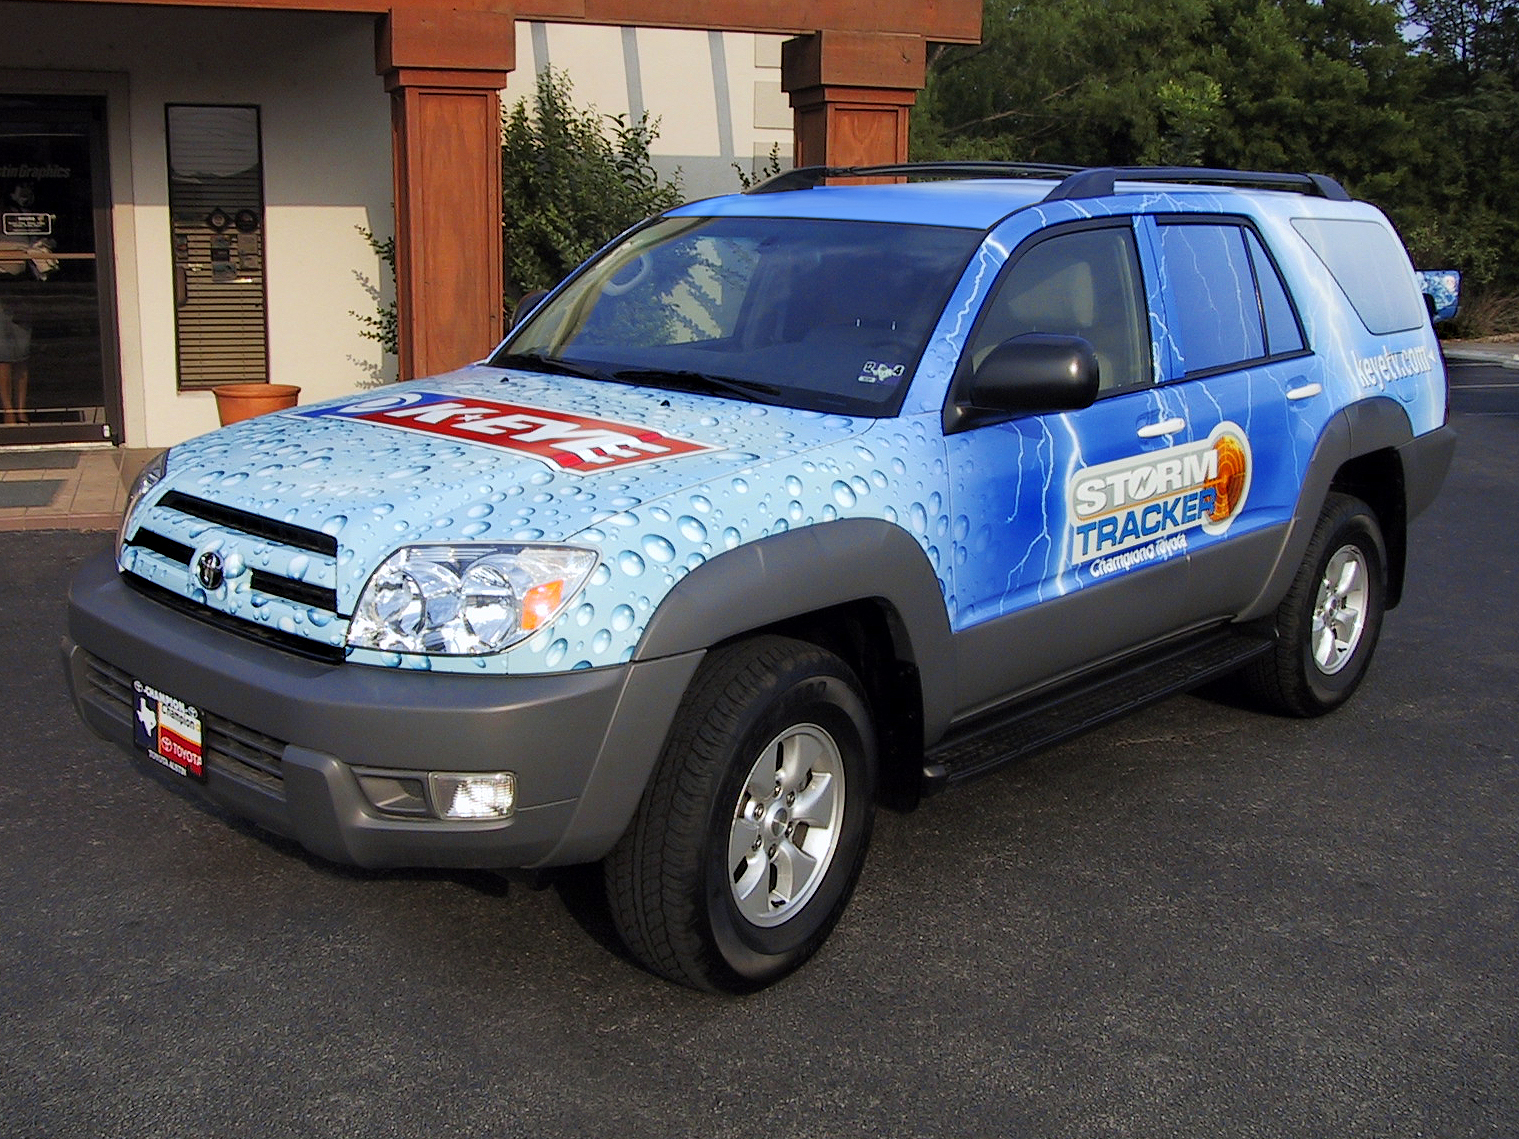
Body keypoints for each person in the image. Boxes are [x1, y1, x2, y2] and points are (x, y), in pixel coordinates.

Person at [0, 297, 30, 424]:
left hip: (21, 299)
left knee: (22, 357)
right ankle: (8, 411)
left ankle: (21, 410)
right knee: (4, 358)